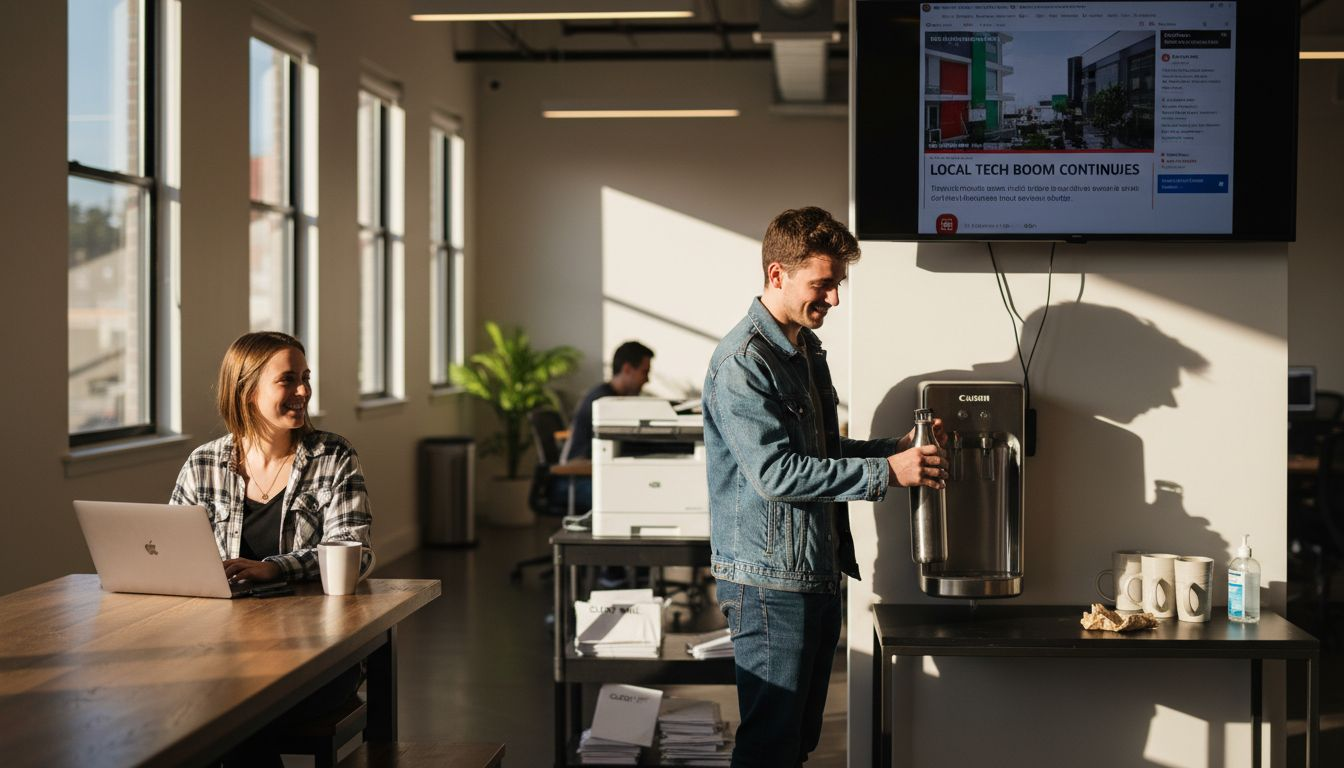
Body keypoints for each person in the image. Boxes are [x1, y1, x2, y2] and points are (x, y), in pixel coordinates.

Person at [702, 207, 945, 767]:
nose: (834, 299)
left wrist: (896, 450)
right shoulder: (742, 363)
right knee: (769, 747)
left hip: (812, 573)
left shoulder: (805, 352)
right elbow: (777, 474)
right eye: (822, 284)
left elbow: (818, 454)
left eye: (837, 284)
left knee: (798, 743)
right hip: (767, 586)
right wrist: (888, 474)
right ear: (776, 275)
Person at [171, 331, 373, 766]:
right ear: (246, 392)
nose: (303, 391)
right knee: (195, 702)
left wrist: (275, 568)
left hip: (315, 656)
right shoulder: (202, 464)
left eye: (306, 377)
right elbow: (174, 554)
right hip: (221, 651)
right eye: (288, 380)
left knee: (233, 706)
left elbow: (354, 548)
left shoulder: (333, 456)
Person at [554, 340, 654, 512]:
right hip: (575, 481)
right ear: (627, 369)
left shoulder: (611, 398)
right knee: (638, 494)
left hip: (585, 476)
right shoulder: (604, 402)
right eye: (644, 372)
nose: (647, 379)